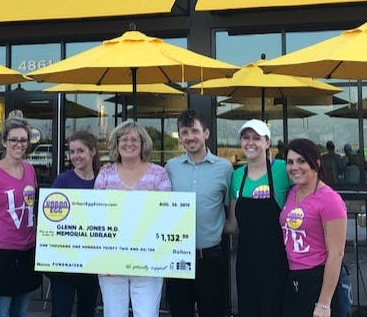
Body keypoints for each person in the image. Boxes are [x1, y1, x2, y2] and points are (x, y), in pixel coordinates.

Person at [94, 120, 172, 317]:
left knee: (147, 313)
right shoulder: (105, 174)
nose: (129, 143)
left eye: (134, 139)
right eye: (124, 139)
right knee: (113, 313)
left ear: (143, 143)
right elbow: (94, 216)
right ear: (116, 143)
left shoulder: (159, 174)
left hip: (148, 258)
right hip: (111, 259)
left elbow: (166, 214)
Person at [164, 109, 233, 317]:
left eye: (194, 131)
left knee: (212, 312)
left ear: (206, 133)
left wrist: (223, 228)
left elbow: (231, 207)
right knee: (179, 312)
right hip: (176, 257)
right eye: (184, 132)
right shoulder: (170, 167)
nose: (189, 137)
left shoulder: (224, 168)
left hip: (210, 257)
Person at [225, 119, 292, 317]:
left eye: (256, 138)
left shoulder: (282, 169)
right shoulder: (237, 176)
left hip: (277, 262)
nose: (250, 142)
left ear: (267, 143)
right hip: (246, 262)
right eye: (246, 138)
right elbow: (233, 225)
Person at [0, 113, 42, 317]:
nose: (19, 144)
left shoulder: (30, 170)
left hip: (27, 251)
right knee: (1, 312)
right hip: (3, 254)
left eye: (23, 140)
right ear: (4, 142)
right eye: (13, 140)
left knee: (21, 311)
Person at [280, 138, 347, 317]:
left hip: (317, 279)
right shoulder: (292, 192)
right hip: (293, 278)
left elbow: (336, 254)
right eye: (290, 162)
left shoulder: (330, 200)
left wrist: (324, 303)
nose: (295, 167)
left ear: (316, 163)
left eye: (302, 161)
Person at [50, 131, 101, 317]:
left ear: (92, 151)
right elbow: (52, 221)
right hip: (65, 259)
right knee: (61, 312)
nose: (75, 156)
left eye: (80, 150)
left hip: (92, 259)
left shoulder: (102, 180)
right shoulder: (62, 180)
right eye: (72, 151)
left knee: (87, 310)